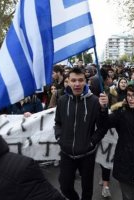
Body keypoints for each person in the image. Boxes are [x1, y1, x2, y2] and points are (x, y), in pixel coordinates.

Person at [0, 96, 64, 200]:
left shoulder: (20, 171)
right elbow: (1, 113)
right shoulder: (10, 103)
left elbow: (41, 114)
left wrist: (32, 116)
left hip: (29, 134)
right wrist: (3, 116)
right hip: (16, 134)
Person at [54, 67, 109, 200]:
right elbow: (58, 123)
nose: (77, 84)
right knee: (65, 187)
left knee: (87, 189)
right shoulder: (62, 101)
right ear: (68, 82)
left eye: (80, 80)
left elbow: (102, 127)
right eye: (73, 80)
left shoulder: (95, 101)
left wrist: (103, 109)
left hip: (87, 154)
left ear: (86, 82)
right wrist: (60, 137)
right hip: (67, 153)